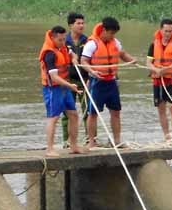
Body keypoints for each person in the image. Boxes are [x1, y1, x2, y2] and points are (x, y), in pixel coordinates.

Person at [81, 17, 137, 148]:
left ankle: (117, 141)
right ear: (104, 30)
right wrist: (92, 72)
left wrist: (132, 60)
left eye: (114, 34)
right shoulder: (92, 44)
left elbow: (122, 54)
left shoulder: (115, 42)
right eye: (111, 33)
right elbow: (83, 61)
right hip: (97, 82)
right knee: (93, 113)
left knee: (116, 111)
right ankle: (91, 141)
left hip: (111, 82)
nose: (112, 36)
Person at [40, 26, 86, 156]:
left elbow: (71, 53)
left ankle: (74, 145)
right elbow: (54, 77)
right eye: (60, 40)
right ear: (53, 38)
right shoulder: (49, 54)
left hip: (64, 87)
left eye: (64, 39)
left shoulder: (63, 47)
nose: (63, 41)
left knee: (73, 114)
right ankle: (50, 149)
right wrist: (71, 86)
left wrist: (73, 58)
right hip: (53, 89)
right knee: (53, 117)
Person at [147, 18, 172, 140]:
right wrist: (155, 69)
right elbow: (148, 63)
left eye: (170, 31)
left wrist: (164, 70)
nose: (168, 34)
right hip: (157, 80)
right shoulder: (153, 44)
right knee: (160, 108)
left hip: (171, 80)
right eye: (166, 31)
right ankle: (166, 135)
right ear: (161, 30)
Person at [61, 12, 89, 146]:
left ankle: (90, 138)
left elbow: (92, 60)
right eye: (78, 23)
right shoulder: (63, 42)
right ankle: (67, 141)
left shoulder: (88, 40)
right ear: (71, 25)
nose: (81, 26)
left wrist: (90, 78)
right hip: (68, 80)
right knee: (67, 112)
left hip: (85, 79)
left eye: (83, 23)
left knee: (88, 110)